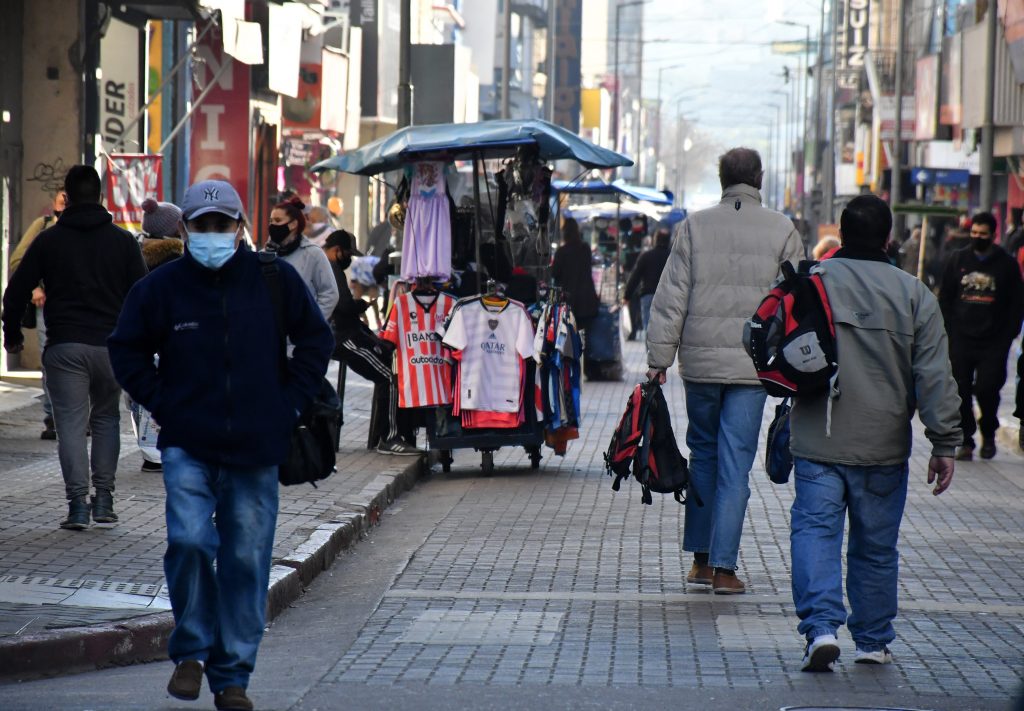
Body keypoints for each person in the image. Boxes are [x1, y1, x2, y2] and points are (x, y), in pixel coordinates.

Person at [107, 179, 333, 711]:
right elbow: (126, 350)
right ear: (184, 228)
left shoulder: (272, 279)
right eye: (201, 225)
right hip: (188, 442)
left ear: (240, 228)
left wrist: (289, 404)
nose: (211, 234)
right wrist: (164, 402)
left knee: (247, 562)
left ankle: (232, 676)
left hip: (257, 446)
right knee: (188, 542)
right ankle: (192, 650)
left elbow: (316, 340)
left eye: (221, 225)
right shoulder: (161, 288)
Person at [788, 194, 961, 671]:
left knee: (815, 532)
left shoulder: (811, 282)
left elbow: (757, 336)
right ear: (888, 238)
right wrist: (944, 443)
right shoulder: (914, 294)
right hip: (883, 442)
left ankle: (821, 629)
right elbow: (935, 376)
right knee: (876, 545)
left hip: (817, 437)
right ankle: (871, 639)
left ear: (841, 233)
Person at [645, 147, 804, 595]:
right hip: (753, 370)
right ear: (759, 178)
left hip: (700, 366)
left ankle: (698, 561)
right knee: (736, 465)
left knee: (704, 457)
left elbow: (671, 296)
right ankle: (723, 569)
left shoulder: (694, 226)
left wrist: (659, 360)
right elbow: (793, 303)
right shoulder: (782, 229)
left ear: (721, 179)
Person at [2, 166, 147, 529]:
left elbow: (16, 290)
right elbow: (144, 295)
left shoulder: (50, 240)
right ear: (100, 196)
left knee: (69, 425)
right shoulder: (123, 241)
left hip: (65, 346)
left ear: (66, 196)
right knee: (106, 418)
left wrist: (12, 335)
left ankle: (78, 506)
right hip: (112, 348)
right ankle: (105, 501)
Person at [322, 229, 418, 455]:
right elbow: (343, 305)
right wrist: (362, 305)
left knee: (387, 363)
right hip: (344, 338)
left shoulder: (326, 266)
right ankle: (390, 437)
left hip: (346, 333)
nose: (349, 260)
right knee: (389, 377)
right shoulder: (331, 269)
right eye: (348, 254)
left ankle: (379, 434)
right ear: (337, 251)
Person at [938, 211, 1024, 460]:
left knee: (987, 389)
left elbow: (1016, 302)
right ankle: (966, 439)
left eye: (983, 234)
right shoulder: (957, 259)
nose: (977, 237)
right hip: (962, 338)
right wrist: (949, 329)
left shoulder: (1005, 264)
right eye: (974, 233)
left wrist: (1008, 334)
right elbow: (946, 297)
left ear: (993, 235)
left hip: (993, 341)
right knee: (959, 389)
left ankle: (988, 432)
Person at [9, 190, 67, 440]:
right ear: (53, 205)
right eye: (60, 201)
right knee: (51, 361)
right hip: (49, 305)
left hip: (80, 306)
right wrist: (34, 288)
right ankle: (53, 416)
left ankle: (78, 416)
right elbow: (18, 260)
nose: (63, 205)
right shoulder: (43, 228)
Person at [265, 196, 339, 321]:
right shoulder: (265, 255)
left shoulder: (313, 254)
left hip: (300, 338)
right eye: (271, 221)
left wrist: (311, 322)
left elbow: (330, 294)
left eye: (278, 221)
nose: (272, 225)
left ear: (293, 224)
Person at [623, 223, 671, 334]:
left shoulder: (646, 256)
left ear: (655, 240)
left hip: (648, 295)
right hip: (668, 297)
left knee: (649, 329)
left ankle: (650, 351)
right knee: (664, 329)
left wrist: (627, 296)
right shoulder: (673, 256)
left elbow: (635, 276)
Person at [551, 218, 599, 327]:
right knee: (586, 337)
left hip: (570, 301)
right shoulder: (585, 249)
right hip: (588, 301)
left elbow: (555, 273)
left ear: (564, 233)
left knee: (571, 337)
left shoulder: (561, 252)